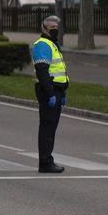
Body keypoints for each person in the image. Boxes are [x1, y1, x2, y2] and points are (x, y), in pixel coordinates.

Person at [31, 15, 69, 173]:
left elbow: (59, 70)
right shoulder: (42, 45)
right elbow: (42, 71)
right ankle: (45, 162)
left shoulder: (53, 45)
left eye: (57, 28)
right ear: (44, 28)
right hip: (49, 91)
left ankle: (47, 160)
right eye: (52, 28)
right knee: (47, 127)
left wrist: (63, 92)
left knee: (51, 127)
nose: (55, 30)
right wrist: (50, 93)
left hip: (57, 91)